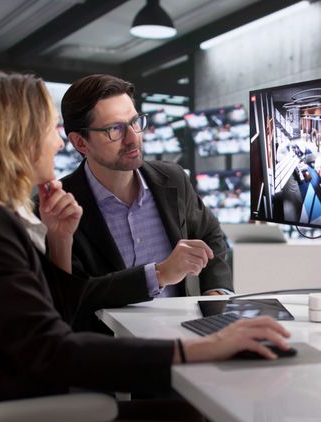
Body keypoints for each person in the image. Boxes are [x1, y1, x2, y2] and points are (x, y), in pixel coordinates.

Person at [0, 72, 291, 421]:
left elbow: (54, 316)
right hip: (5, 408)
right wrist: (202, 349)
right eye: (49, 129)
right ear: (17, 142)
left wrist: (59, 239)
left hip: (17, 397)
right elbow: (54, 348)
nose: (57, 141)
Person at [58, 74, 232, 332]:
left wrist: (216, 294)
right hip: (110, 355)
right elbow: (74, 295)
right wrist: (160, 274)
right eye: (114, 129)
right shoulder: (60, 206)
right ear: (80, 142)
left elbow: (210, 234)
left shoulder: (171, 179)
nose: (133, 138)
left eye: (135, 122)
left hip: (184, 338)